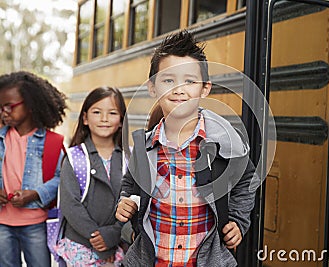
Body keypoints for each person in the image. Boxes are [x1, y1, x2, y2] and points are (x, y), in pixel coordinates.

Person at [116, 30, 259, 266]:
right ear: (152, 87)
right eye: (168, 80)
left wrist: (238, 220)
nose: (178, 89)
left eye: (189, 81)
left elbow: (247, 180)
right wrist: (125, 203)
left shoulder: (223, 142)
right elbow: (129, 186)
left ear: (205, 89)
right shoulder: (144, 147)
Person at [0, 71, 67, 267]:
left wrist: (35, 193)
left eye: (9, 106)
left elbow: (61, 177)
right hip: (2, 222)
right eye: (0, 107)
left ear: (30, 105)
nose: (4, 112)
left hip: (35, 223)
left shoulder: (52, 142)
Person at [56, 87, 127, 266]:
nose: (104, 119)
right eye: (97, 112)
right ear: (85, 118)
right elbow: (70, 204)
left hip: (116, 247)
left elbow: (134, 203)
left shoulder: (129, 158)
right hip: (80, 247)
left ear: (121, 121)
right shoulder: (74, 157)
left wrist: (112, 236)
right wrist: (98, 238)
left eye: (112, 113)